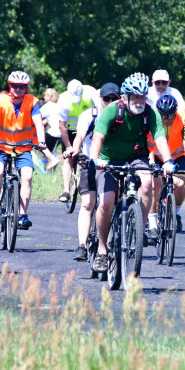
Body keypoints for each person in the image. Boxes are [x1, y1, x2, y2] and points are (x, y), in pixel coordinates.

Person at [87, 72, 174, 274]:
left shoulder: (150, 113)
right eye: (135, 97)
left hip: (136, 157)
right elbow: (97, 138)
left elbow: (160, 138)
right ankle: (101, 249)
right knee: (107, 201)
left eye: (142, 97)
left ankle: (139, 229)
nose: (139, 101)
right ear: (124, 97)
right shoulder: (111, 111)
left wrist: (168, 161)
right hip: (108, 159)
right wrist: (96, 160)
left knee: (147, 183)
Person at [64, 82, 120, 261]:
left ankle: (114, 238)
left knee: (113, 202)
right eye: (106, 98)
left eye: (114, 99)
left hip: (113, 164)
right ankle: (82, 245)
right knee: (88, 203)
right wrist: (75, 148)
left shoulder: (121, 117)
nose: (110, 102)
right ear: (100, 99)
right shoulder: (90, 115)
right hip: (91, 161)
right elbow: (80, 134)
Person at [0, 70, 42, 230]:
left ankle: (22, 215)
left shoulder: (32, 102)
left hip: (23, 147)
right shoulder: (0, 101)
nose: (18, 89)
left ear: (26, 88)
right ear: (10, 86)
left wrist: (41, 141)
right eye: (15, 86)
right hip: (1, 145)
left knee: (27, 177)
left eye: (22, 87)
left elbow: (38, 123)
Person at [147, 94, 185, 234]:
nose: (166, 120)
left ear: (175, 113)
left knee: (179, 185)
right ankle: (153, 223)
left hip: (177, 156)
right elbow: (148, 143)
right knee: (155, 185)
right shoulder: (151, 117)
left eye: (169, 116)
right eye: (163, 116)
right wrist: (151, 163)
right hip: (156, 156)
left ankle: (177, 213)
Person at [56, 79, 101, 198]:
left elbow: (101, 110)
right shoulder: (63, 100)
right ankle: (66, 190)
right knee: (68, 158)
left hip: (89, 127)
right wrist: (69, 147)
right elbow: (62, 127)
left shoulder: (90, 92)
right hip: (70, 129)